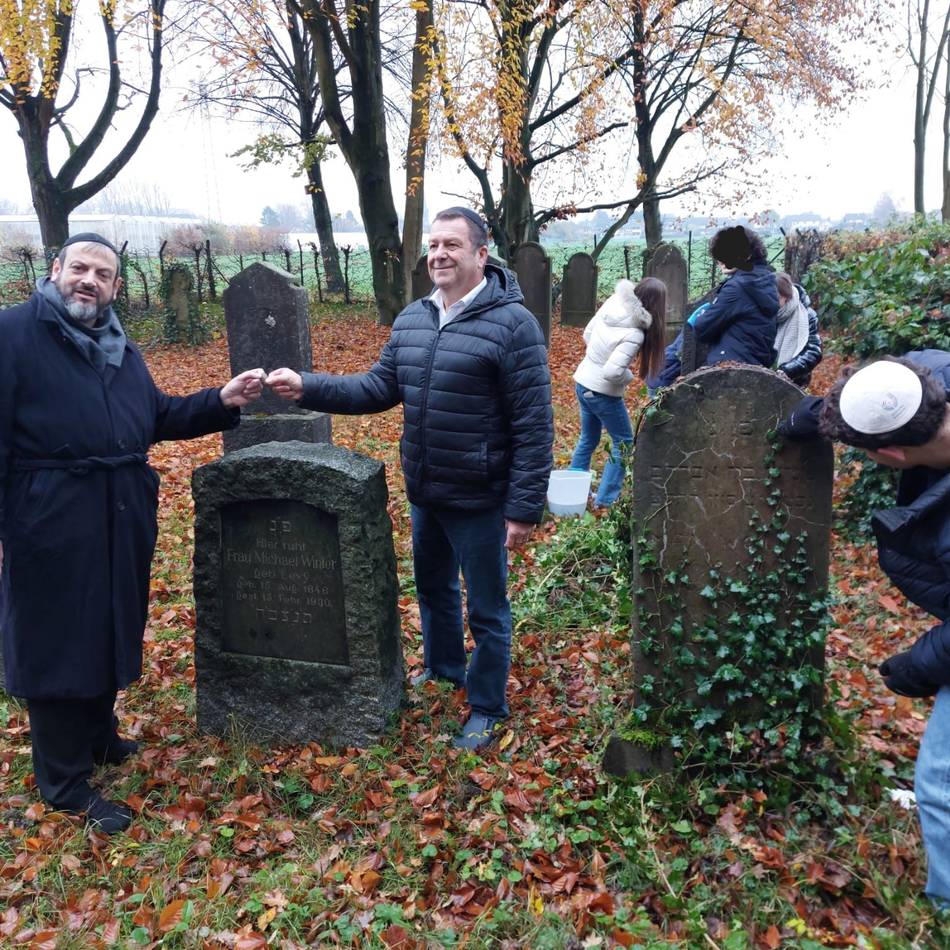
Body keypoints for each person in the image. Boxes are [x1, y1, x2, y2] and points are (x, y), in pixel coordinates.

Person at [0, 233, 265, 834]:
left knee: (106, 625)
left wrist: (220, 399)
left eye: (103, 273)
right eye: (80, 268)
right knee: (56, 640)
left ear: (117, 287)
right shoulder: (13, 335)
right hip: (48, 516)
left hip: (118, 514)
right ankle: (64, 781)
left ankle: (98, 739)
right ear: (55, 269)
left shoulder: (120, 345)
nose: (89, 280)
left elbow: (157, 416)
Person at [266, 208, 553, 751]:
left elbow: (535, 426)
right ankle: (444, 669)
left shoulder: (514, 326)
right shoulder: (414, 319)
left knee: (487, 608)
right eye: (434, 245)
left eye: (452, 245)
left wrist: (522, 509)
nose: (439, 254)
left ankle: (487, 707)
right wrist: (306, 385)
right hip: (427, 489)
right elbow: (376, 389)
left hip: (480, 496)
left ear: (480, 255)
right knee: (433, 588)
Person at [779, 352, 950, 909]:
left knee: (939, 780)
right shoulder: (930, 382)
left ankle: (943, 911)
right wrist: (805, 417)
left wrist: (918, 666)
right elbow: (880, 385)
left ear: (891, 453)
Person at [569, 277, 666, 507]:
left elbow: (588, 334)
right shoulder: (635, 333)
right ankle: (605, 501)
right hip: (602, 393)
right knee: (623, 442)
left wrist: (597, 356)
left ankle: (572, 491)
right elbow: (612, 372)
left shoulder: (614, 301)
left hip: (582, 381)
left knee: (588, 438)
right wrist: (629, 377)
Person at [650, 225, 778, 389]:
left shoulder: (737, 287)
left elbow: (702, 328)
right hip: (755, 359)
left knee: (662, 379)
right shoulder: (765, 280)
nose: (720, 260)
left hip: (730, 365)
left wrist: (701, 313)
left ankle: (656, 384)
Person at [773, 271, 822, 387]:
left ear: (787, 296)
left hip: (794, 382)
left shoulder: (806, 315)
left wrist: (786, 371)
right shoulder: (758, 312)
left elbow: (813, 351)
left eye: (777, 298)